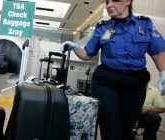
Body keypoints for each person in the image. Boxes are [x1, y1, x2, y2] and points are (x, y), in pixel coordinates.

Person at [61, 0, 165, 139]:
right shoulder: (103, 28)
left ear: (128, 1)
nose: (109, 5)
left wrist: (163, 72)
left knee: (126, 131)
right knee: (111, 130)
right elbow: (87, 54)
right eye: (107, 1)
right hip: (107, 82)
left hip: (135, 85)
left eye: (115, 0)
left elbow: (158, 52)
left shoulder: (145, 24)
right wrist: (75, 47)